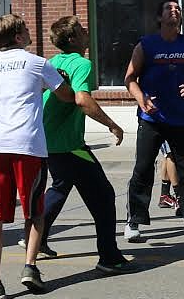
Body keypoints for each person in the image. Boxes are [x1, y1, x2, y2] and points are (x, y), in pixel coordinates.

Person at [0, 14, 74, 299]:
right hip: (27, 145)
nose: (31, 32)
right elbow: (66, 95)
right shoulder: (36, 62)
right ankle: (30, 267)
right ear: (18, 36)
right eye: (27, 29)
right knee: (34, 210)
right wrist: (61, 82)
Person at [33, 15, 136, 274]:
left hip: (46, 141)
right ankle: (109, 257)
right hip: (69, 145)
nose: (86, 30)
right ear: (72, 39)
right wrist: (112, 124)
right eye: (80, 29)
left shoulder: (52, 62)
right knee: (103, 196)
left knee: (60, 186)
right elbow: (82, 100)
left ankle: (36, 240)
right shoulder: (81, 64)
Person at [123, 0, 184, 242]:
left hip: (182, 119)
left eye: (178, 9)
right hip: (152, 118)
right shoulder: (146, 45)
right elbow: (130, 78)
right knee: (142, 169)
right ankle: (133, 222)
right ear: (159, 18)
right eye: (168, 8)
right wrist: (140, 98)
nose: (174, 11)